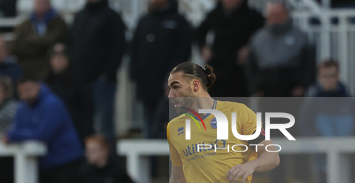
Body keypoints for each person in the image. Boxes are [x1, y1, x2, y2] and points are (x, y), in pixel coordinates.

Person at [5, 76, 83, 183]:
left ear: (37, 86)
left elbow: (43, 134)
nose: (26, 94)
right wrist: (17, 134)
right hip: (42, 164)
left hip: (64, 161)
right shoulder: (22, 108)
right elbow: (20, 128)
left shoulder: (52, 104)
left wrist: (14, 135)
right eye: (22, 92)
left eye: (29, 89)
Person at [298, 60, 355, 183]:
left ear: (338, 75)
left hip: (348, 164)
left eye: (332, 75)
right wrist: (322, 141)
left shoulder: (350, 101)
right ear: (319, 77)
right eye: (325, 76)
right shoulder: (312, 103)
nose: (329, 79)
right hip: (323, 164)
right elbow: (304, 129)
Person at [129, 0, 192, 137]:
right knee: (149, 125)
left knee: (172, 127)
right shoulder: (144, 21)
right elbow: (134, 49)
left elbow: (183, 53)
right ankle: (152, 158)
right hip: (147, 86)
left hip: (170, 87)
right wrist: (135, 74)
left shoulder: (179, 22)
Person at [68, 0, 126, 147]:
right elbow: (72, 45)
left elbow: (118, 47)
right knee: (84, 124)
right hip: (81, 81)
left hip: (102, 82)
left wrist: (106, 74)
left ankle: (108, 163)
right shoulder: (80, 16)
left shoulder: (112, 17)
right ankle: (87, 164)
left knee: (104, 125)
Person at [196, 0, 264, 97]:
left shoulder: (252, 15)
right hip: (217, 66)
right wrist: (203, 48)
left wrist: (250, 48)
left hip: (239, 70)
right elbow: (199, 32)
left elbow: (263, 35)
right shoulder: (215, 13)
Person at [45, 43, 93, 143]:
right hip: (52, 132)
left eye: (62, 58)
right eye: (56, 58)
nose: (59, 61)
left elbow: (88, 108)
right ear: (50, 61)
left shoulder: (78, 80)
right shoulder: (45, 83)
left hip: (75, 130)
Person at [12, 0, 68, 80]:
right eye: (39, 3)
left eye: (44, 3)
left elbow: (54, 40)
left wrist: (30, 41)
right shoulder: (24, 26)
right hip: (26, 69)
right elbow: (15, 48)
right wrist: (43, 45)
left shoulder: (59, 23)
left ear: (49, 4)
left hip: (50, 71)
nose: (41, 5)